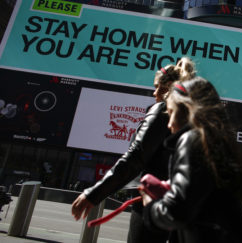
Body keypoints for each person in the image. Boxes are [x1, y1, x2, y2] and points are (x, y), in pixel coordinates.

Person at [71, 57, 196, 243]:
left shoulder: (162, 110)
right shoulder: (195, 117)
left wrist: (93, 193)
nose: (154, 93)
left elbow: (135, 157)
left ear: (168, 86)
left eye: (157, 87)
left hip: (153, 202)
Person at [139, 77, 242, 243]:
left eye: (171, 112)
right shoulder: (215, 140)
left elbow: (178, 210)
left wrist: (150, 207)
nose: (169, 124)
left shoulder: (192, 140)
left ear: (186, 111)